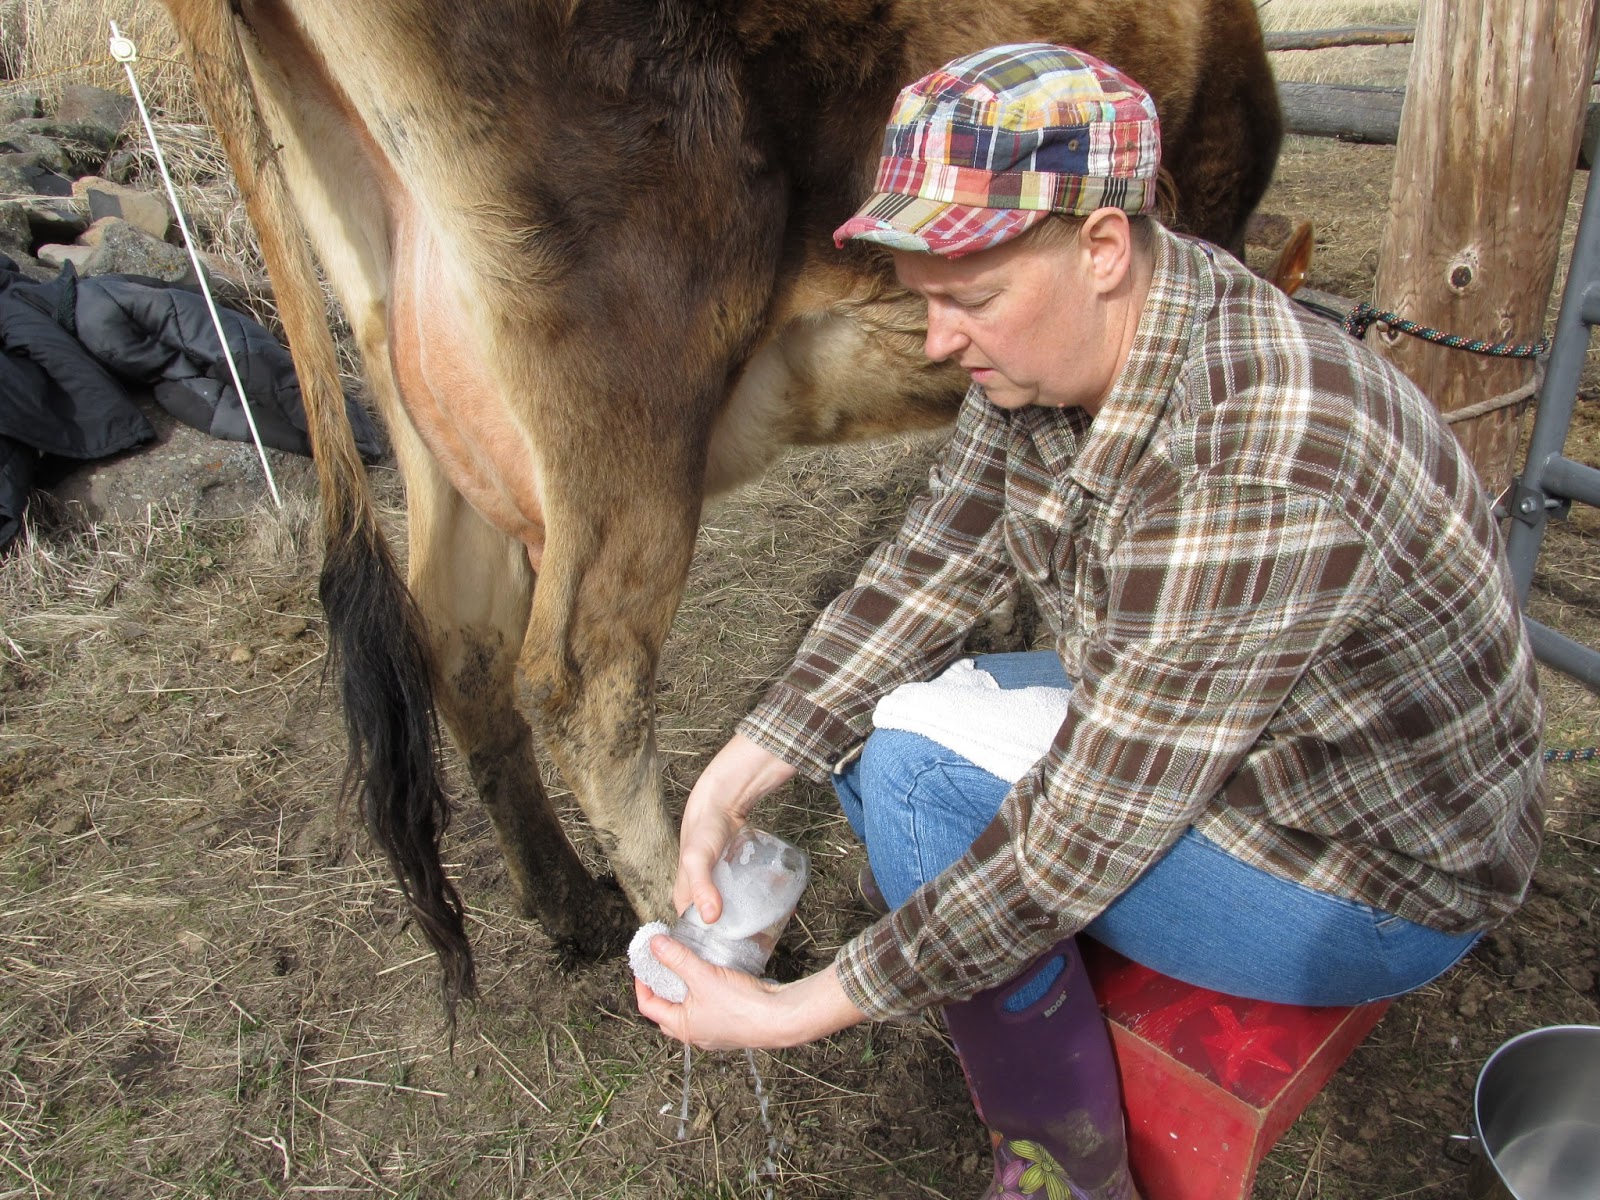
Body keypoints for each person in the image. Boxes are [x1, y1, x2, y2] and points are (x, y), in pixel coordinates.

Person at [635, 43, 1545, 1200]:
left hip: (1373, 872)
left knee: (911, 781)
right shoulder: (1093, 332)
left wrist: (786, 1012)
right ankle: (1035, 983)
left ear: (1104, 247)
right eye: (926, 301)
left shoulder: (1257, 459)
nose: (940, 343)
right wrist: (732, 777)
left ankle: (1060, 1169)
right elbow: (933, 564)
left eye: (967, 300)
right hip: (1281, 746)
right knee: (872, 743)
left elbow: (1077, 838)